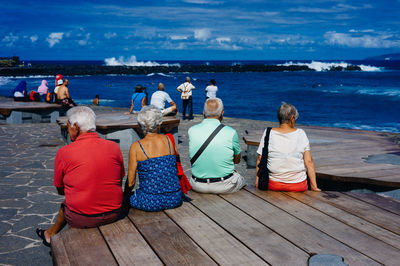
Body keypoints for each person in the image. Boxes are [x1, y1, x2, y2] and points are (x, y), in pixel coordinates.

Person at [35, 106, 125, 246]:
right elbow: (119, 179)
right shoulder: (114, 147)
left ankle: (49, 234)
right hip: (114, 213)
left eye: (68, 125)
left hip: (83, 218)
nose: (67, 128)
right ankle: (49, 233)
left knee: (68, 204)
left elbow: (60, 190)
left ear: (75, 127)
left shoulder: (65, 152)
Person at [125, 105, 182, 211]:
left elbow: (131, 182)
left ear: (140, 125)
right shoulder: (168, 140)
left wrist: (125, 196)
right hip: (175, 198)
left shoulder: (136, 147)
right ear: (159, 123)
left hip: (150, 201)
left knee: (131, 197)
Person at [255, 102, 321, 192]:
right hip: (298, 185)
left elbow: (260, 159)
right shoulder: (301, 133)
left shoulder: (268, 132)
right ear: (292, 118)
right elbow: (309, 162)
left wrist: (257, 183)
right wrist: (314, 187)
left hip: (273, 184)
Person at [188, 98, 246, 194]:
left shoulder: (191, 130)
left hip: (197, 184)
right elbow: (237, 160)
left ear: (203, 113)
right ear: (222, 113)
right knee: (241, 178)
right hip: (224, 185)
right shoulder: (231, 132)